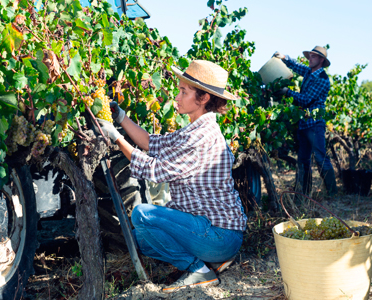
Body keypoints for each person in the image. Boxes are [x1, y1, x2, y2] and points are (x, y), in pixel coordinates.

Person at [97, 60, 247, 293]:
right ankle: (213, 261)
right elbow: (150, 142)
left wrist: (116, 137)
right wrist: (121, 118)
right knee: (141, 240)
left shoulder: (200, 137)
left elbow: (154, 171)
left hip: (219, 235)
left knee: (141, 214)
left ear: (204, 98)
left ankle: (198, 270)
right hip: (211, 231)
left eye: (183, 92)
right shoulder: (196, 129)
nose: (176, 97)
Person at [274, 46, 338, 196]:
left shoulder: (323, 80)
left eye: (313, 57)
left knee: (320, 157)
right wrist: (284, 57)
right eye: (309, 56)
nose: (310, 59)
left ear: (321, 60)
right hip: (304, 123)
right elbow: (296, 66)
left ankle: (333, 193)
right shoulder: (309, 72)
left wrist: (287, 92)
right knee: (303, 159)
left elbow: (306, 99)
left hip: (315, 124)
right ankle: (303, 192)